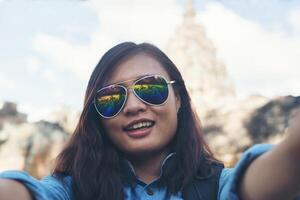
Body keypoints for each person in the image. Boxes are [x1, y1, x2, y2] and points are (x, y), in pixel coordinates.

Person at [0, 42, 299, 200]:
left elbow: (267, 178)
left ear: (178, 98)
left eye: (150, 88)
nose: (132, 106)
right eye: (110, 98)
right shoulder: (71, 190)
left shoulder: (216, 187)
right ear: (97, 117)